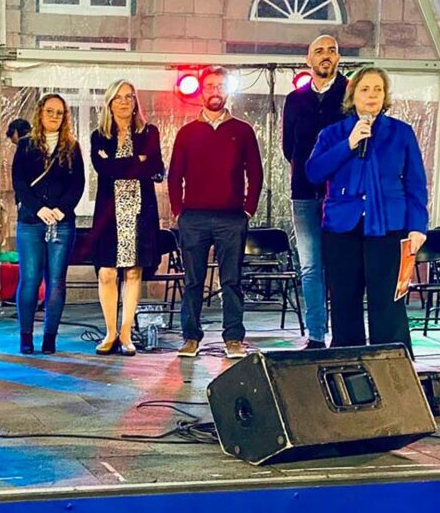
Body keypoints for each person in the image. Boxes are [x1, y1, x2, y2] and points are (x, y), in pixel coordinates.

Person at [306, 67, 427, 357]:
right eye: (365, 89)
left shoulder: (401, 133)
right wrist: (348, 145)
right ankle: (348, 366)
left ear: (385, 96)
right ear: (353, 95)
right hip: (341, 228)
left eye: (378, 89)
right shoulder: (333, 134)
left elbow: (416, 182)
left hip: (389, 226)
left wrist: (418, 227)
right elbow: (313, 172)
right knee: (345, 300)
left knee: (387, 303)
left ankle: (392, 367)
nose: (371, 95)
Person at [168, 66, 263, 359]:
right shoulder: (187, 132)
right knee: (193, 280)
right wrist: (178, 210)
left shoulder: (243, 131)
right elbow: (175, 175)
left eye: (220, 86)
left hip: (231, 218)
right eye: (209, 86)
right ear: (201, 91)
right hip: (193, 218)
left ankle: (233, 339)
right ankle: (190, 338)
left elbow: (255, 173)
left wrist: (248, 209)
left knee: (231, 280)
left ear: (227, 91)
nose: (215, 91)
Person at [89, 80, 163, 356]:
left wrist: (123, 164)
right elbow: (103, 169)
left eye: (129, 97)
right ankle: (109, 332)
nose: (124, 102)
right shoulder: (99, 136)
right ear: (109, 102)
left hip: (139, 212)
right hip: (110, 214)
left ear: (135, 102)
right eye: (118, 97)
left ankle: (126, 333)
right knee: (107, 272)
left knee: (133, 272)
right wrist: (137, 163)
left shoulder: (149, 132)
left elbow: (155, 167)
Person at [282, 35, 347, 349]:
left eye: (331, 51)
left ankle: (346, 333)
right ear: (308, 60)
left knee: (341, 264)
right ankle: (316, 335)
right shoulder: (295, 100)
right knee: (310, 266)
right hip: (305, 193)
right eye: (319, 50)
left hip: (343, 195)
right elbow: (288, 147)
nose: (326, 56)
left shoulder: (351, 93)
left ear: (338, 58)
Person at [12, 94, 85, 354]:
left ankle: (49, 338)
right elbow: (18, 183)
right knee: (29, 279)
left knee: (56, 281)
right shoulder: (26, 145)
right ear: (40, 113)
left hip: (62, 221)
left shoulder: (72, 148)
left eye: (60, 113)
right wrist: (39, 208)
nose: (55, 116)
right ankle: (26, 336)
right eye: (50, 111)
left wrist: (61, 210)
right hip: (31, 221)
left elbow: (78, 184)